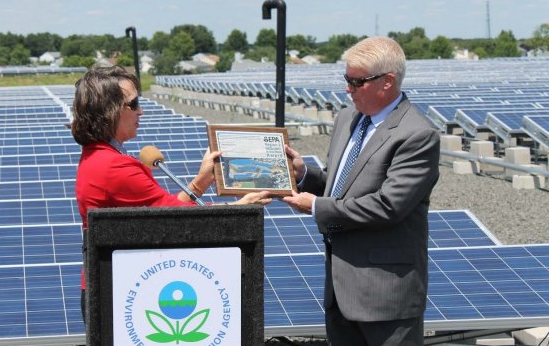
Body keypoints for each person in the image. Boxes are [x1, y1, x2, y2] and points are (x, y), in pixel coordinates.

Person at [71, 65, 271, 321]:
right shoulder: (115, 168)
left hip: (111, 286)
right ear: (109, 111)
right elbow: (181, 223)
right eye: (133, 104)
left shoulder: (100, 157)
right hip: (117, 293)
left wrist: (201, 181)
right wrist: (242, 209)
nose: (140, 111)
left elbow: (162, 214)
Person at [283, 36, 440, 346]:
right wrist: (304, 174)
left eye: (356, 82)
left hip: (386, 296)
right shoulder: (348, 119)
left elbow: (388, 205)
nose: (347, 89)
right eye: (347, 79)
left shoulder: (417, 134)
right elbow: (341, 183)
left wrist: (317, 207)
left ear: (387, 82)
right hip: (340, 291)